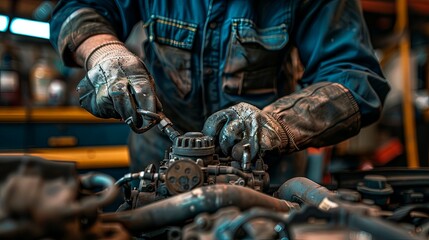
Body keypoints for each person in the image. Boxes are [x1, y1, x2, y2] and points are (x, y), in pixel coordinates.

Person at [49, 0, 390, 186]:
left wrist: (275, 125)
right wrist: (105, 53)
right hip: (158, 163)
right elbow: (78, 8)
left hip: (265, 171)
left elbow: (357, 80)